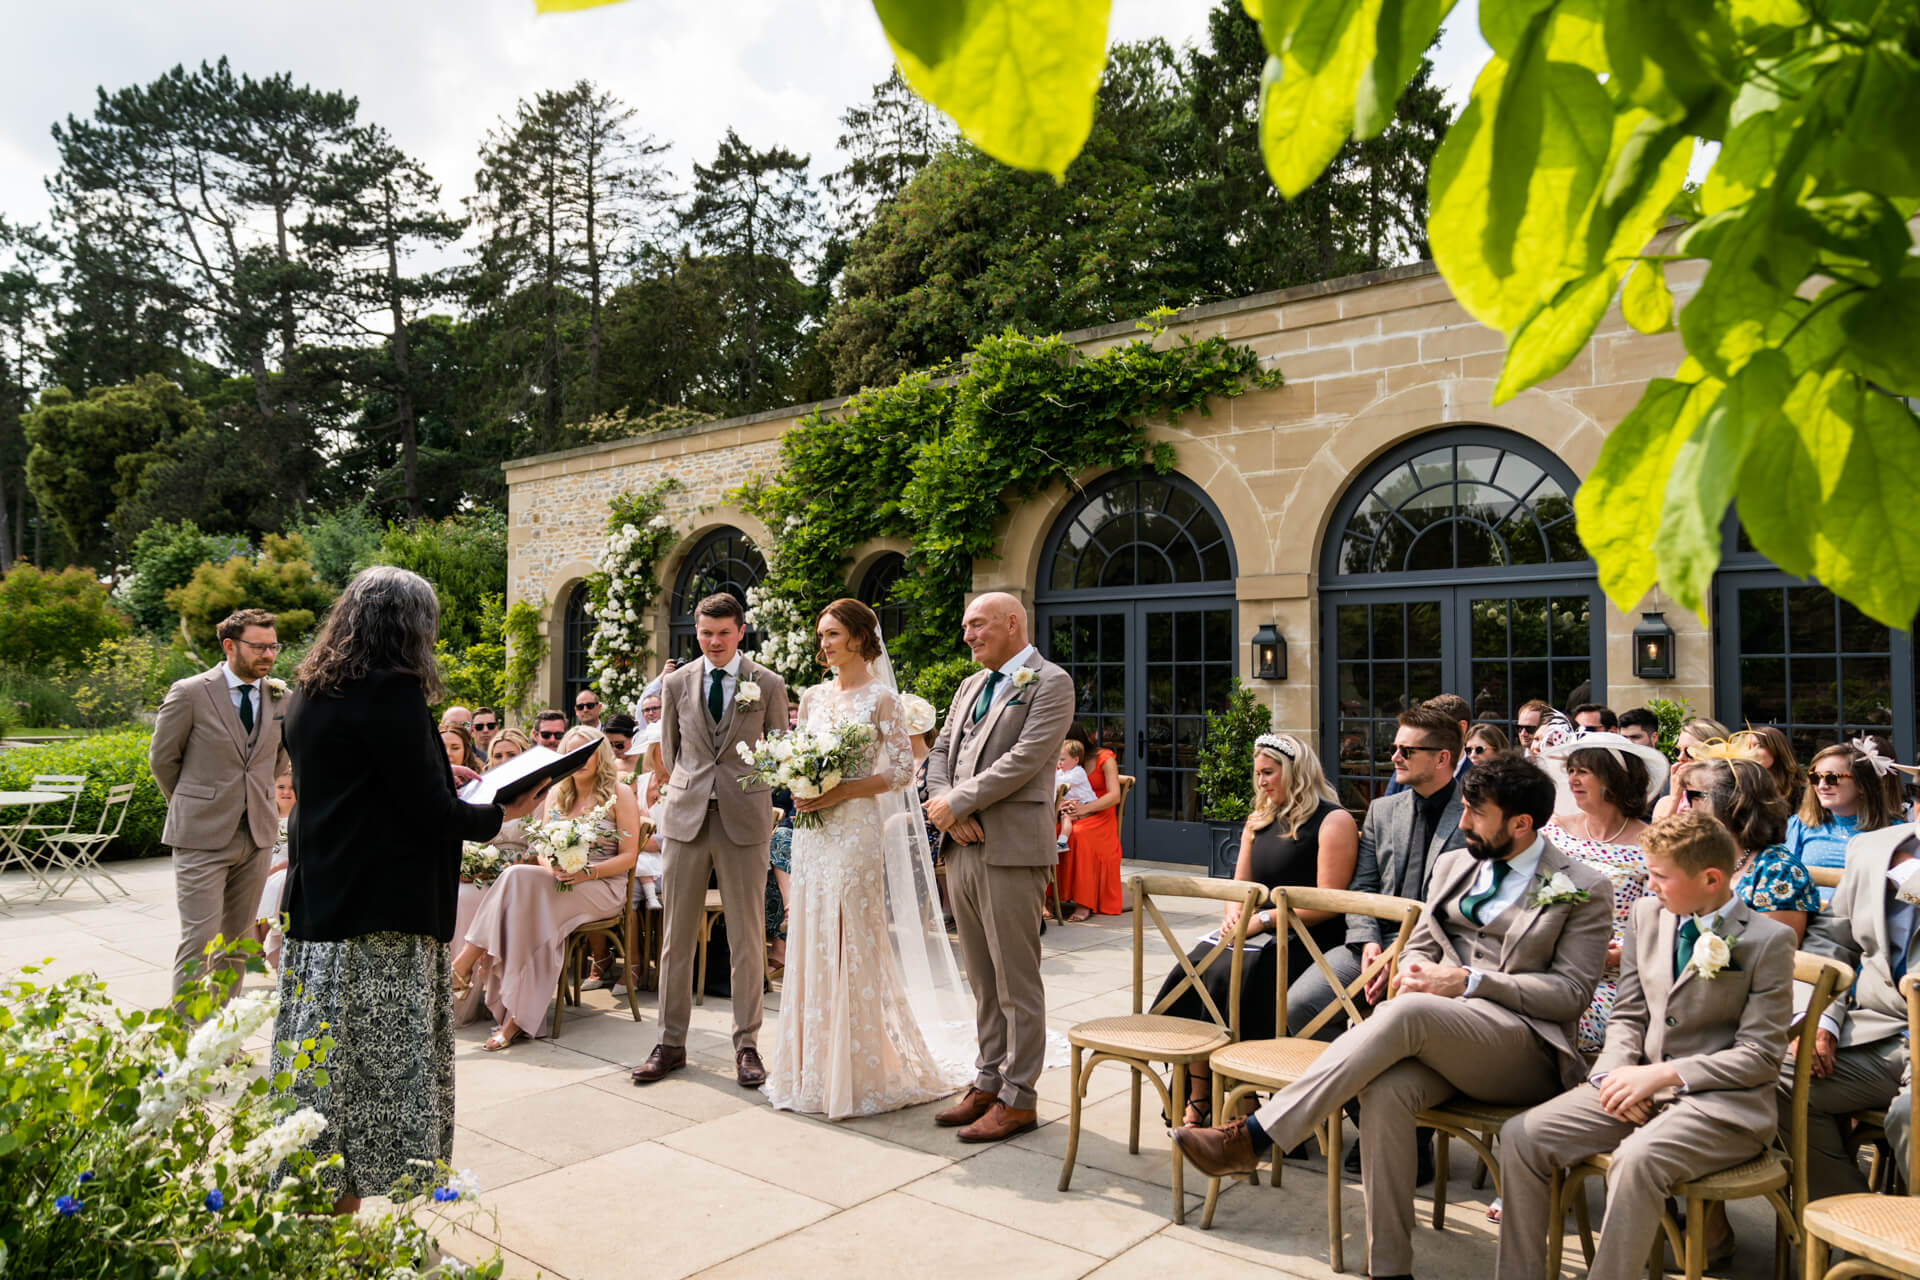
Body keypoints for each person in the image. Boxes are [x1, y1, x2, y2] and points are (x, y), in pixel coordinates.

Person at [1172, 752, 1614, 1280]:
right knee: (1384, 1092)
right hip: (1442, 1038)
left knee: (1409, 1014)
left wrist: (1468, 981)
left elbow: (1570, 995)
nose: (1463, 822)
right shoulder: (1455, 866)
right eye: (1464, 808)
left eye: (1476, 813)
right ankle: (1390, 1269)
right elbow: (1422, 943)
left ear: (1521, 824)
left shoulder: (1583, 885)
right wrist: (1408, 968)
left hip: (1524, 1051)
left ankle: (1257, 1136)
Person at [271, 566, 539, 1211]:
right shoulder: (391, 692)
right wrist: (503, 811)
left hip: (321, 904)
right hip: (380, 914)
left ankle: (320, 1205)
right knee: (377, 1078)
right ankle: (350, 1214)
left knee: (325, 1070)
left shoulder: (309, 690)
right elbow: (431, 815)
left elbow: (358, 786)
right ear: (409, 627)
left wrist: (436, 774)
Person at [1494, 810, 1796, 1280]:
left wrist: (1660, 1076)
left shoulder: (1769, 940)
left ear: (1711, 879)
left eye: (1659, 876)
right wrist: (1611, 1074)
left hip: (1721, 1107)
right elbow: (1628, 1012)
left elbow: (1759, 1056)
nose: (1648, 885)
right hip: (1634, 1084)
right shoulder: (1646, 914)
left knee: (1636, 1161)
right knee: (1522, 1136)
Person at [764, 599, 976, 1119]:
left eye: (833, 634)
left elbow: (901, 771)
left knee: (851, 935)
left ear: (860, 637)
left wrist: (840, 791)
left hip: (855, 828)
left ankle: (860, 1068)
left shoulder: (883, 699)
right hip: (814, 831)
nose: (824, 644)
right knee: (814, 934)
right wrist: (801, 784)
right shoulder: (812, 697)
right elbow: (800, 756)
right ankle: (813, 1067)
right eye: (821, 635)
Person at [924, 591, 1075, 1142]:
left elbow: (1027, 758)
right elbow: (939, 753)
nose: (968, 635)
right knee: (983, 980)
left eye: (978, 625)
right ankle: (987, 1081)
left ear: (1012, 623)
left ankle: (1020, 1097)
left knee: (1016, 981)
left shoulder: (1051, 682)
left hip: (1011, 848)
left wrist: (958, 803)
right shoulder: (970, 686)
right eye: (966, 626)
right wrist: (945, 806)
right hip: (962, 845)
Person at [1155, 731, 1358, 1126]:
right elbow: (1240, 887)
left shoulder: (1333, 820)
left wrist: (1261, 920)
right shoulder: (1258, 820)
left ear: (1295, 771)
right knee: (1197, 967)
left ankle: (1237, 1094)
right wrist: (1234, 917)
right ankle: (1204, 1090)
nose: (1261, 782)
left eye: (1269, 773)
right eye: (1258, 773)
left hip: (1306, 934)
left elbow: (1327, 901)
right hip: (1255, 926)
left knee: (1233, 974)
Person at [632, 593, 791, 1089]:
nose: (714, 641)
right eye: (706, 633)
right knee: (676, 937)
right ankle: (669, 1043)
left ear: (741, 632)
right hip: (687, 818)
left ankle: (747, 1045)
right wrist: (693, 788)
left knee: (747, 938)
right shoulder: (676, 682)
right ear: (696, 633)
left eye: (723, 633)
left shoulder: (768, 683)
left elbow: (779, 750)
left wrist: (745, 787)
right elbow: (672, 752)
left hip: (744, 818)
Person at [452, 726, 641, 1050]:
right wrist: (550, 866)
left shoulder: (618, 793)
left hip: (602, 885)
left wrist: (587, 873)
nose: (581, 761)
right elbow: (541, 846)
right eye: (572, 754)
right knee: (520, 888)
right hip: (559, 881)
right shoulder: (558, 793)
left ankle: (466, 966)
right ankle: (516, 1017)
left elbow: (629, 856)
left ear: (601, 756)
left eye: (588, 753)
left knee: (527, 897)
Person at [150, 607, 292, 1002]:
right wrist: (193, 804)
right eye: (258, 647)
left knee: (237, 943)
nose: (268, 655)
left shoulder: (281, 697)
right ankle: (188, 1034)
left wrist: (255, 797)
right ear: (229, 645)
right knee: (199, 941)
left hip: (257, 835)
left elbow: (279, 759)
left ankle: (222, 1030)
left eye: (274, 646)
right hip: (201, 836)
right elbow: (163, 760)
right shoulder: (190, 692)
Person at [1789, 806, 1920, 1202]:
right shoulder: (1872, 847)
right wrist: (1820, 1019)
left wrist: (1908, 874)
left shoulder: (1895, 859)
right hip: (1875, 1032)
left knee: (1912, 1117)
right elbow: (1832, 940)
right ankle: (1849, 1218)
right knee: (1778, 1079)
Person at [1537, 732, 1665, 1054]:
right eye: (1570, 770)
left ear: (1613, 778)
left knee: (1553, 1023)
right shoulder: (1553, 831)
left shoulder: (1652, 844)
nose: (1572, 779)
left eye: (1583, 771)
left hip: (1610, 976)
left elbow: (1660, 920)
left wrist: (1622, 953)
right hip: (1544, 961)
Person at [1685, 750, 1821, 941]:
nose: (1683, 806)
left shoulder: (1779, 871)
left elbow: (1777, 949)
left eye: (1692, 795)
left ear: (1731, 802)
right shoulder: (1699, 856)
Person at [1789, 740, 1902, 906]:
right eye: (1815, 777)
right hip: (1811, 917)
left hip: (1866, 918)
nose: (1821, 786)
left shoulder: (1895, 831)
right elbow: (1782, 879)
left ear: (1862, 785)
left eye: (1832, 778)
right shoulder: (1799, 825)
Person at [1056, 723, 1123, 920]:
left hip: (1100, 813)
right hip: (1071, 812)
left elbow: (1115, 796)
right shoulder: (1060, 759)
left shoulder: (1105, 758)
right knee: (1052, 830)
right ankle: (1049, 899)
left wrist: (1085, 809)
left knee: (1079, 835)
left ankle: (1084, 902)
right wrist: (1060, 804)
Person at [252, 771, 298, 970]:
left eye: (291, 788)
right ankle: (255, 943)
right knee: (248, 886)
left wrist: (274, 869)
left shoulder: (298, 817)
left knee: (276, 884)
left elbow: (297, 852)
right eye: (281, 787)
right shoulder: (268, 816)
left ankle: (260, 942)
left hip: (286, 866)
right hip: (264, 865)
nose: (286, 792)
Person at [1385, 693, 1472, 795]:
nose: (1427, 735)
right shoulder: (1406, 770)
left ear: (1461, 728)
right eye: (1394, 749)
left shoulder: (1479, 782)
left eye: (1434, 727)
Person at [1649, 716, 1732, 821]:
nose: (1680, 758)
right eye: (1677, 751)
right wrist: (1674, 798)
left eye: (1690, 752)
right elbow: (1658, 831)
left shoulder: (1732, 800)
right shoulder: (1665, 803)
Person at [1055, 740, 1096, 850]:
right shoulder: (1060, 773)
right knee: (1056, 812)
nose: (1059, 763)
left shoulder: (1078, 772)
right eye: (1058, 759)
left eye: (1062, 759)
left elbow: (1061, 783)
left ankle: (1062, 842)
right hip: (1073, 803)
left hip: (1087, 804)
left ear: (1076, 760)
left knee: (1066, 816)